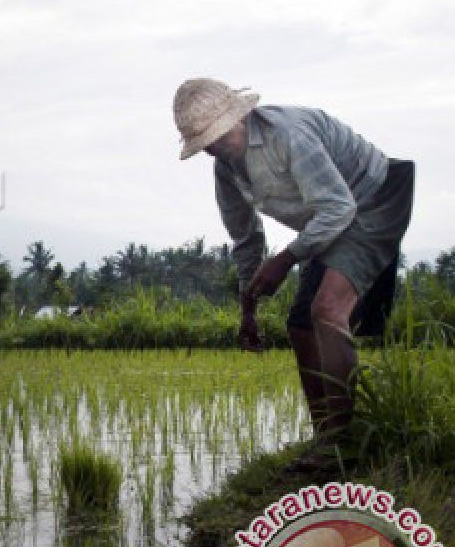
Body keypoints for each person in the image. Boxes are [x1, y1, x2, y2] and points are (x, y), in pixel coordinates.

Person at [173, 78, 414, 465]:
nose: (212, 151)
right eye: (204, 146)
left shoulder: (288, 136)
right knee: (300, 325)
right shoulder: (227, 169)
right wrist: (248, 308)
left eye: (216, 138)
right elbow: (247, 240)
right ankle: (327, 439)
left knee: (327, 310)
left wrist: (286, 259)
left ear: (240, 119)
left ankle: (346, 445)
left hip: (372, 197)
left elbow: (339, 208)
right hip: (330, 217)